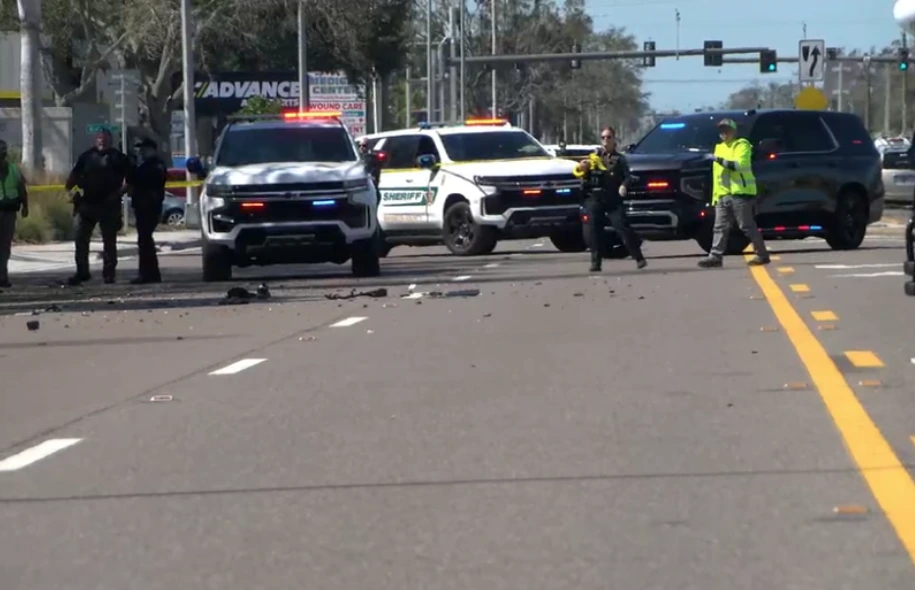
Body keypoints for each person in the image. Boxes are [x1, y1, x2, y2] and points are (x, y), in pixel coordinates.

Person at [697, 118, 769, 268]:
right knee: (719, 227)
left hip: (740, 193)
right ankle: (715, 257)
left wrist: (717, 159)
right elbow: (718, 176)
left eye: (727, 130)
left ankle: (762, 255)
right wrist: (716, 196)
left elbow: (739, 166)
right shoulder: (719, 147)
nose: (724, 133)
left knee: (746, 226)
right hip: (723, 194)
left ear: (734, 131)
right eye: (721, 131)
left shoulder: (741, 145)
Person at [573, 126, 647, 273]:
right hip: (595, 198)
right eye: (603, 138)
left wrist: (624, 186)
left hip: (613, 198)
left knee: (623, 228)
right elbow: (583, 176)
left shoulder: (619, 159)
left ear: (614, 140)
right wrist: (583, 168)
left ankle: (638, 257)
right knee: (593, 230)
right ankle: (595, 263)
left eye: (609, 137)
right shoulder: (594, 158)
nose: (606, 140)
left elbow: (628, 177)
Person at [64, 129, 132, 285]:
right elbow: (73, 177)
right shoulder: (86, 157)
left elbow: (130, 180)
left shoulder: (119, 158)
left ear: (111, 140)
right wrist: (70, 192)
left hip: (109, 205)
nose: (102, 142)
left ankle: (109, 274)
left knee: (109, 241)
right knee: (81, 239)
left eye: (105, 139)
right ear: (96, 140)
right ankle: (82, 272)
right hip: (86, 203)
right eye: (100, 139)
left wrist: (118, 194)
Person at [129, 137, 167, 284]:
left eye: (144, 149)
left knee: (145, 240)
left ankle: (148, 274)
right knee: (144, 241)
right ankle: (149, 273)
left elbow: (140, 179)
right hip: (142, 206)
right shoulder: (146, 164)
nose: (142, 152)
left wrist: (134, 167)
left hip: (150, 206)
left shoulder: (156, 165)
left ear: (152, 149)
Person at [0, 140, 29, 288]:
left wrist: (25, 207)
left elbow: (22, 189)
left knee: (4, 246)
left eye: (2, 150)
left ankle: (3, 277)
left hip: (9, 212)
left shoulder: (13, 169)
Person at [358, 138, 382, 204]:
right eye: (359, 146)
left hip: (371, 189)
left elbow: (375, 174)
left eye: (364, 146)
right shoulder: (356, 159)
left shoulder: (372, 158)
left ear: (369, 146)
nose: (361, 148)